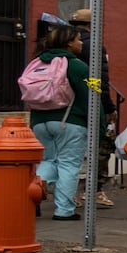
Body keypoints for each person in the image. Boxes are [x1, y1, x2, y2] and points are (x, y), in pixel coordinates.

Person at [28, 24, 91, 221]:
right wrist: (100, 123)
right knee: (68, 165)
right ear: (69, 43)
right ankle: (64, 211)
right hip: (69, 122)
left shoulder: (37, 62)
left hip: (40, 122)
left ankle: (31, 200)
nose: (81, 43)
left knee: (48, 161)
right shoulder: (78, 66)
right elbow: (93, 95)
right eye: (78, 39)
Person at [68, 8, 117, 208]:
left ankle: (68, 193)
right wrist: (108, 106)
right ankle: (94, 190)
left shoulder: (65, 45)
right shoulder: (95, 45)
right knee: (101, 146)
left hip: (67, 104)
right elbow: (100, 80)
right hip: (91, 102)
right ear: (92, 25)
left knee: (69, 151)